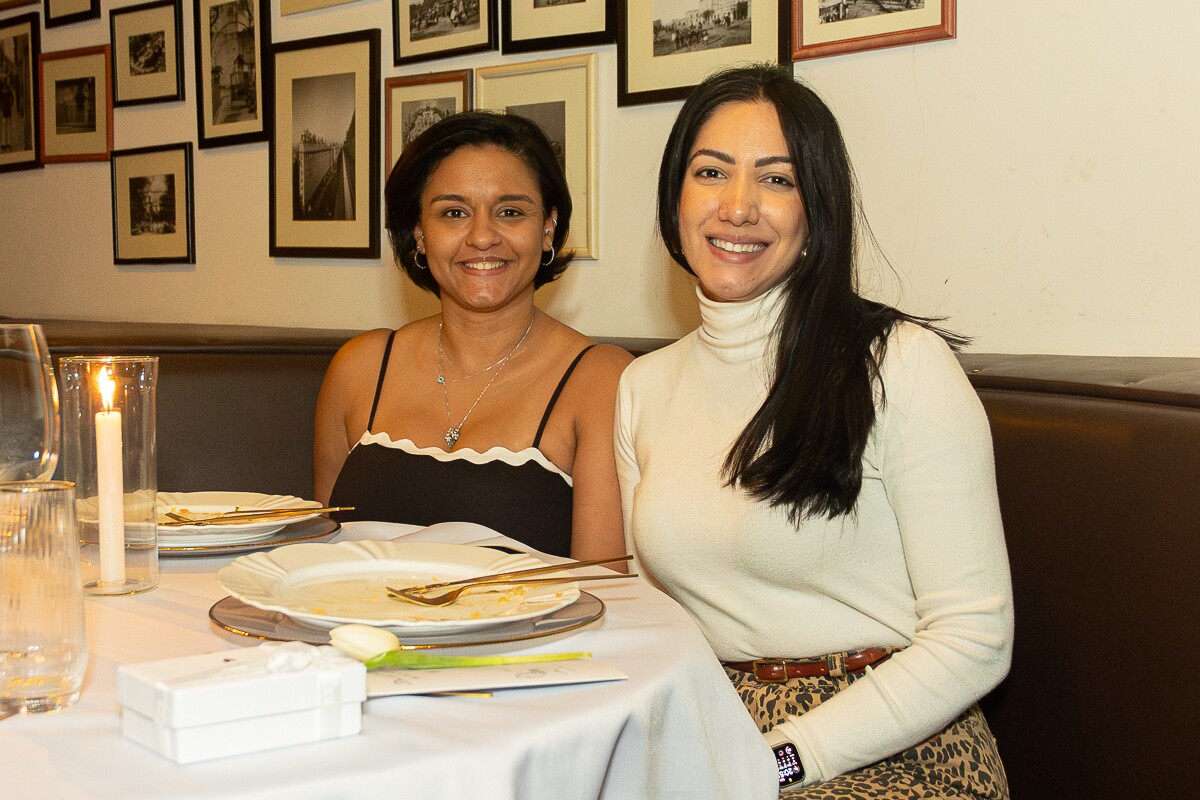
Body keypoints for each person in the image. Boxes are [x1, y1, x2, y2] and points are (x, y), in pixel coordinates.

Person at [615, 64, 1013, 796]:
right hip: (710, 726)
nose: (738, 207)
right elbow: (655, 615)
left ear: (816, 209)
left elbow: (976, 640)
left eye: (777, 179)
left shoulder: (900, 362)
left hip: (898, 742)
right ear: (675, 197)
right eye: (711, 172)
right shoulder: (642, 387)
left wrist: (781, 758)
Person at [316, 111, 632, 560]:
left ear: (548, 229)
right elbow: (317, 557)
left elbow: (604, 593)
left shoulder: (602, 381)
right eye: (454, 213)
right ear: (420, 234)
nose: (482, 236)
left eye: (510, 212)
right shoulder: (359, 367)